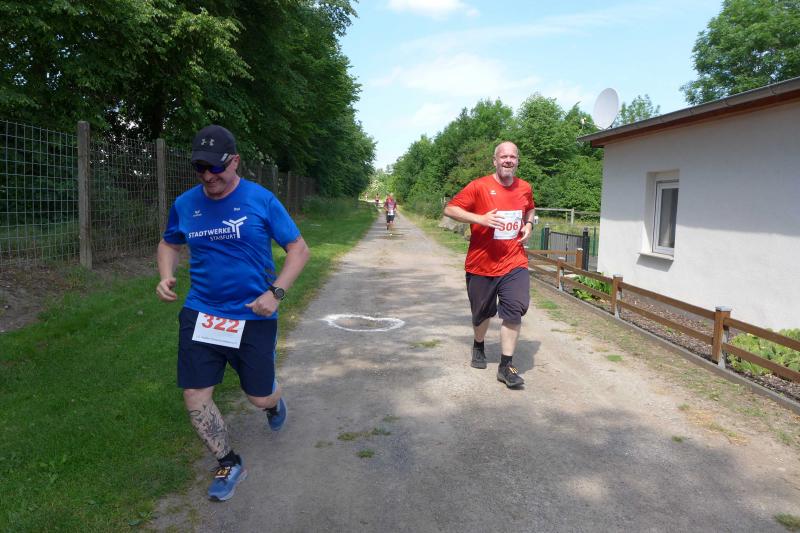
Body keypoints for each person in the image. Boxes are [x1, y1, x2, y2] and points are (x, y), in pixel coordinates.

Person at [155, 124, 310, 501]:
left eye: (216, 167)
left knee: (259, 397)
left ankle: (273, 402)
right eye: (200, 168)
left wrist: (276, 292)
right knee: (195, 394)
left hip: (253, 315)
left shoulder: (261, 200)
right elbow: (169, 242)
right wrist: (165, 274)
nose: (208, 176)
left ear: (235, 161)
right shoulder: (185, 204)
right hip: (202, 312)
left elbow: (299, 249)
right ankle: (228, 461)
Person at [443, 141, 535, 388]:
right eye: (503, 156)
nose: (508, 160)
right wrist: (480, 219)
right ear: (495, 161)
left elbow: (530, 209)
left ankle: (506, 367)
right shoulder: (479, 186)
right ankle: (478, 344)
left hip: (514, 261)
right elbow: (450, 209)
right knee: (482, 312)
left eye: (512, 157)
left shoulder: (525, 187)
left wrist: (529, 225)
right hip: (481, 263)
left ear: (517, 161)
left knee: (515, 307)